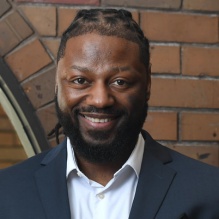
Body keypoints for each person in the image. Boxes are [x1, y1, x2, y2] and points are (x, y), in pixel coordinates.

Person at [0, 8, 219, 219]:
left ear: (147, 84)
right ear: (57, 83)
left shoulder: (209, 191)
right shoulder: (7, 192)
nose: (100, 99)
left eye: (120, 82)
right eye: (80, 80)